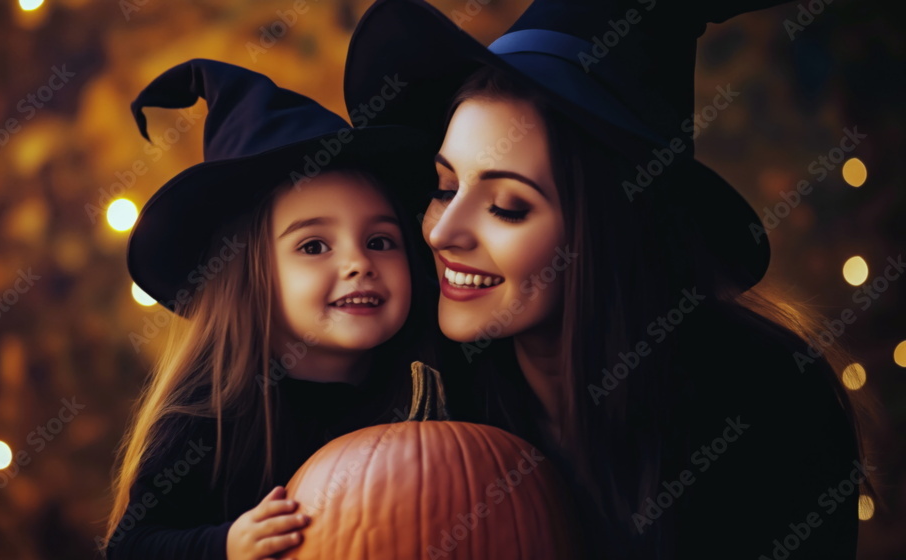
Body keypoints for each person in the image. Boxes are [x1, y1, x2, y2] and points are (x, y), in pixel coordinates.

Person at [343, 1, 871, 558]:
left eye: (507, 207)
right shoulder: (414, 379)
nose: (443, 232)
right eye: (445, 188)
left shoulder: (767, 408)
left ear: (607, 227)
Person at [102, 58, 437, 560]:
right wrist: (226, 546)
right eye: (314, 246)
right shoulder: (209, 415)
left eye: (380, 241)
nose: (359, 263)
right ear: (249, 279)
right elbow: (131, 547)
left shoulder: (430, 381)